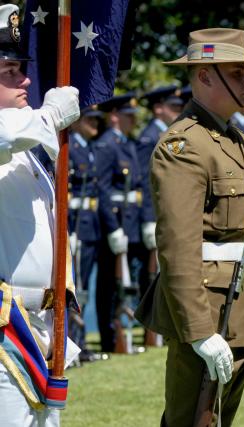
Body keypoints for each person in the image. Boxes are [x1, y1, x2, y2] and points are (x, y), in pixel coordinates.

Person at [134, 28, 244, 427]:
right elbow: (178, 247)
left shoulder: (239, 142)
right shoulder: (184, 145)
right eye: (236, 73)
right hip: (208, 312)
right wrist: (198, 330)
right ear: (204, 76)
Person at [0, 4, 81, 426]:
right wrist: (48, 115)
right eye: (10, 70)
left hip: (41, 327)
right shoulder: (17, 134)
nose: (26, 79)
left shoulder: (27, 148)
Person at [93, 93, 148, 353]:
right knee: (109, 285)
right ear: (114, 116)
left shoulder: (127, 144)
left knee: (127, 283)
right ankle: (109, 338)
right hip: (114, 223)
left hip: (131, 222)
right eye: (127, 115)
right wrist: (113, 228)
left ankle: (123, 332)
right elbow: (101, 190)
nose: (133, 120)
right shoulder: (106, 145)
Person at [137, 85, 185, 346]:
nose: (177, 112)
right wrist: (148, 219)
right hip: (155, 216)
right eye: (173, 107)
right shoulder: (150, 137)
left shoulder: (170, 134)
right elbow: (145, 183)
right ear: (158, 108)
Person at [67, 105, 106, 363]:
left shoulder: (90, 148)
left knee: (84, 289)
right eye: (90, 118)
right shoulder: (70, 147)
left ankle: (80, 344)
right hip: (75, 226)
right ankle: (70, 346)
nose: (95, 123)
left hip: (89, 226)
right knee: (74, 288)